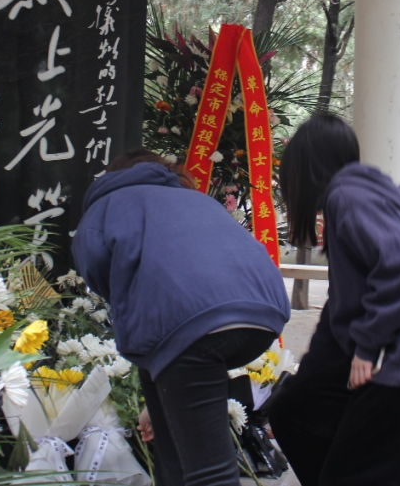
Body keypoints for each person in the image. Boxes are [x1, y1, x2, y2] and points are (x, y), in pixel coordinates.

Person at [268, 113, 400, 486]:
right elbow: (339, 312)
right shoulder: (352, 200)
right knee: (293, 413)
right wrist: (297, 390)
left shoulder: (348, 195)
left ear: (306, 168)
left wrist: (367, 346)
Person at [72, 149, 290, 486]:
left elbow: (97, 272)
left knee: (210, 472)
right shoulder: (196, 200)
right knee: (174, 453)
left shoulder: (107, 206)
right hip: (264, 311)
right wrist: (159, 406)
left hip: (192, 325)